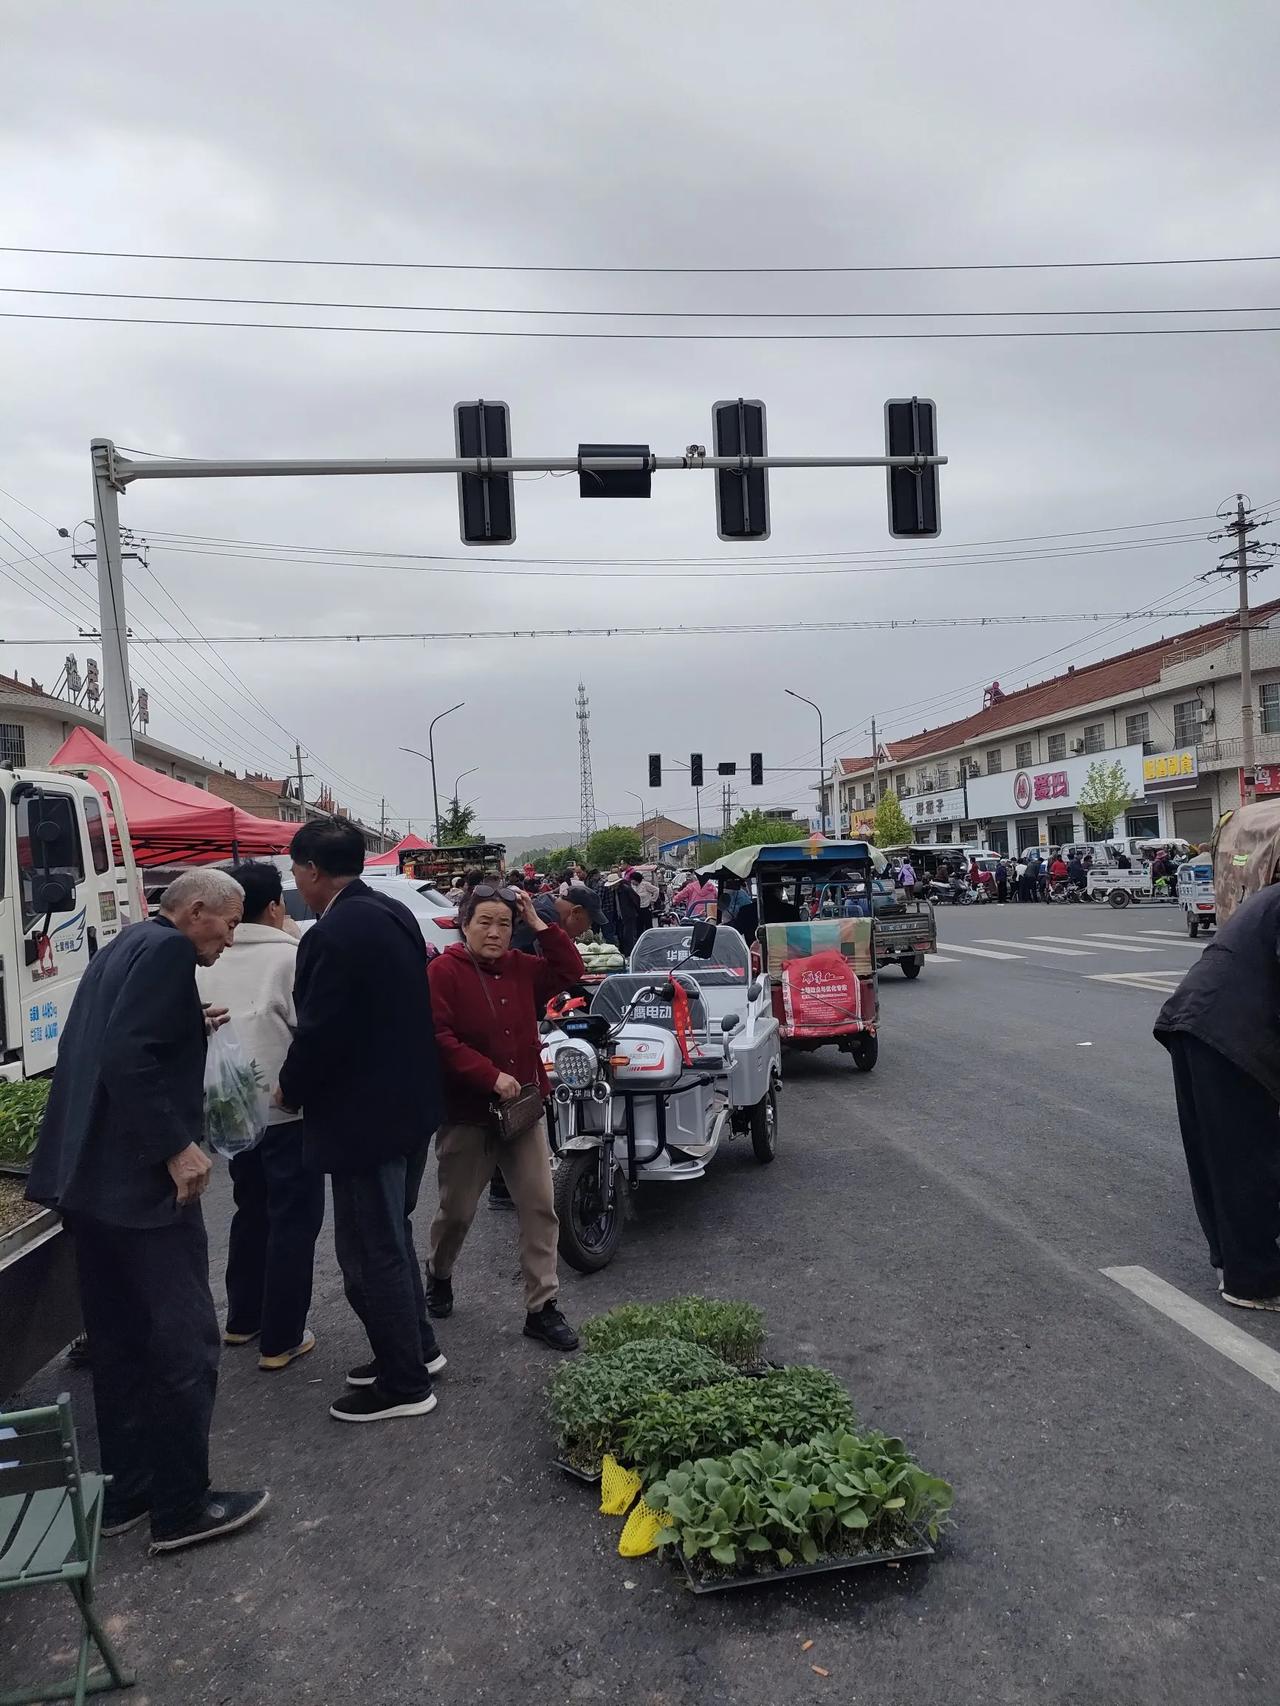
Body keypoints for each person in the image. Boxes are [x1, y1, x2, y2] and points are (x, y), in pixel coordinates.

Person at [26, 869, 269, 1555]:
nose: (230, 937)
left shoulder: (126, 944)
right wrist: (177, 1148)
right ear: (196, 911)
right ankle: (182, 1507)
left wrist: (188, 1025)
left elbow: (112, 1038)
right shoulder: (167, 951)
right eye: (229, 922)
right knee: (185, 1342)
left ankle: (128, 1491)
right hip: (140, 1189)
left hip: (91, 1186)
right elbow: (127, 1054)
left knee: (120, 1342)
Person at [277, 818, 443, 1424]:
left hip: (364, 1117)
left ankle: (404, 1383)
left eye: (296, 869)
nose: (297, 880)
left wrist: (289, 1087)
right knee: (390, 1238)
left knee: (371, 1252)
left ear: (312, 870)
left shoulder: (332, 932)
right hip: (409, 1104)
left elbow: (321, 1032)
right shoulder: (390, 912)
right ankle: (416, 1350)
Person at [427, 883, 585, 1349]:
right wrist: (488, 1075)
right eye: (484, 922)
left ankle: (542, 1306)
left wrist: (539, 924)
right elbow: (437, 1037)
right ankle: (439, 1271)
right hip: (467, 1113)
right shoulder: (442, 972)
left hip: (522, 1112)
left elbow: (570, 970)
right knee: (457, 1211)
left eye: (503, 924)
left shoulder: (523, 967)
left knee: (539, 1206)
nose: (495, 932)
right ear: (464, 925)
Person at [196, 861, 324, 1372]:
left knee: (250, 1211)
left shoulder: (205, 956)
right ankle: (282, 1337)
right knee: (293, 1219)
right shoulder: (290, 956)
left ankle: (242, 1318)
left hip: (230, 1113)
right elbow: (310, 1034)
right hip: (285, 1113)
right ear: (274, 906)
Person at [1155, 883, 1280, 1310]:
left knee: (1221, 1157)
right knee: (1246, 1159)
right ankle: (1253, 1280)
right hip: (1228, 1030)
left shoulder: (1271, 898)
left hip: (1198, 1020)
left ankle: (1234, 1263)